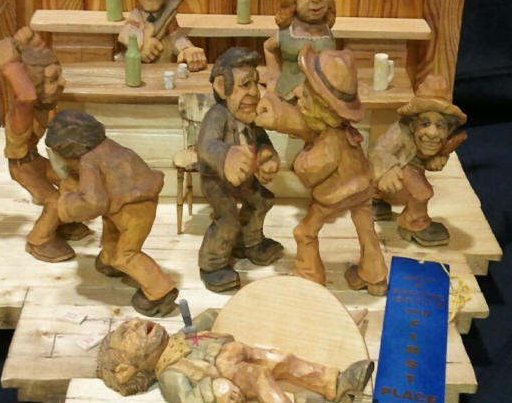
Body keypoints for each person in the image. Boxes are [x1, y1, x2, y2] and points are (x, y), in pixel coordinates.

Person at [97, 315, 374, 403]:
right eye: (126, 332)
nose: (136, 323)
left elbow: (205, 323)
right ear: (125, 370)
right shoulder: (170, 374)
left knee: (283, 359)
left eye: (131, 322)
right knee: (260, 377)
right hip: (228, 368)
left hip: (237, 350)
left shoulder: (181, 337)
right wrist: (214, 389)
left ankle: (337, 384)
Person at [255, 46, 388, 295]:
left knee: (304, 232)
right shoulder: (342, 131)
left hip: (339, 193)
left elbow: (309, 173)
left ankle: (310, 280)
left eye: (305, 93)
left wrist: (301, 158)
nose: (298, 94)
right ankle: (375, 276)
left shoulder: (330, 142)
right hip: (363, 186)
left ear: (322, 107)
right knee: (366, 229)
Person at [45, 109, 178, 317]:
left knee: (126, 254)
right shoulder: (106, 146)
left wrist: (66, 204)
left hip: (136, 208)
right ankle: (108, 259)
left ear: (70, 150)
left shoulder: (88, 161)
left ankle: (160, 291)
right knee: (111, 236)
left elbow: (94, 202)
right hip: (123, 203)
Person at [0, 28, 90, 262]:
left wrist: (28, 40)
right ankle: (39, 239)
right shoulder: (23, 110)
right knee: (53, 200)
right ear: (34, 85)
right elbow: (26, 94)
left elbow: (38, 57)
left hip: (34, 159)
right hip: (22, 167)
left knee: (73, 181)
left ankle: (62, 223)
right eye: (53, 80)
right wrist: (9, 58)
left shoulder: (40, 106)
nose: (63, 83)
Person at [196, 47, 283, 292]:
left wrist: (267, 156)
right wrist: (226, 156)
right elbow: (206, 146)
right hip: (216, 179)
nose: (254, 92)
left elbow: (261, 139)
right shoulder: (217, 115)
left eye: (256, 83)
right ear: (222, 87)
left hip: (244, 177)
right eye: (245, 84)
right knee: (227, 217)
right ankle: (212, 263)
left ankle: (249, 242)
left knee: (261, 200)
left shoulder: (248, 116)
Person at [369, 74, 467, 246]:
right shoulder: (399, 131)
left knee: (418, 189)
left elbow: (435, 153)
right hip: (397, 161)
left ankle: (406, 219)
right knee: (422, 192)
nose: (433, 133)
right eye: (425, 124)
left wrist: (438, 158)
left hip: (412, 164)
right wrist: (388, 169)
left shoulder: (439, 139)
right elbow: (378, 151)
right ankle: (413, 223)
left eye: (440, 126)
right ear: (413, 125)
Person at [263, 0, 336, 102]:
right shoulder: (288, 33)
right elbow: (268, 47)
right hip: (289, 95)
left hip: (320, 98)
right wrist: (272, 77)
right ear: (294, 0)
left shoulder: (326, 31)